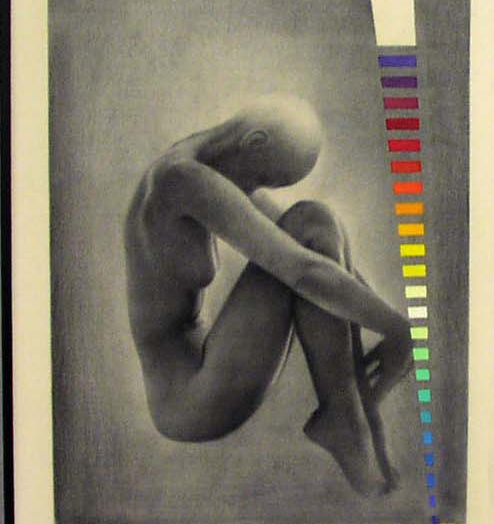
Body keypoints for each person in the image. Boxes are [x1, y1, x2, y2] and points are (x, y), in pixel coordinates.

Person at [123, 94, 413, 495]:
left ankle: (349, 421)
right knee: (311, 224)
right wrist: (399, 330)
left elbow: (320, 260)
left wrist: (393, 326)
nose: (258, 192)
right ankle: (348, 423)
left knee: (317, 221)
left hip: (211, 366)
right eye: (267, 179)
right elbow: (304, 271)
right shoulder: (181, 180)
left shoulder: (213, 164)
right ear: (254, 141)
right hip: (189, 403)